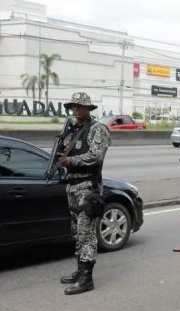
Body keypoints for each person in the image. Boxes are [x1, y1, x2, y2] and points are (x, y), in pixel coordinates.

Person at [58, 92, 111, 295]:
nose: (76, 109)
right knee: (77, 232)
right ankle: (80, 271)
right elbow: (65, 152)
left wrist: (70, 161)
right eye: (74, 106)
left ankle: (87, 279)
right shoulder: (73, 130)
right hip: (72, 186)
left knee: (87, 233)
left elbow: (96, 156)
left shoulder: (97, 129)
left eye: (80, 106)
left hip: (88, 188)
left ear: (89, 108)